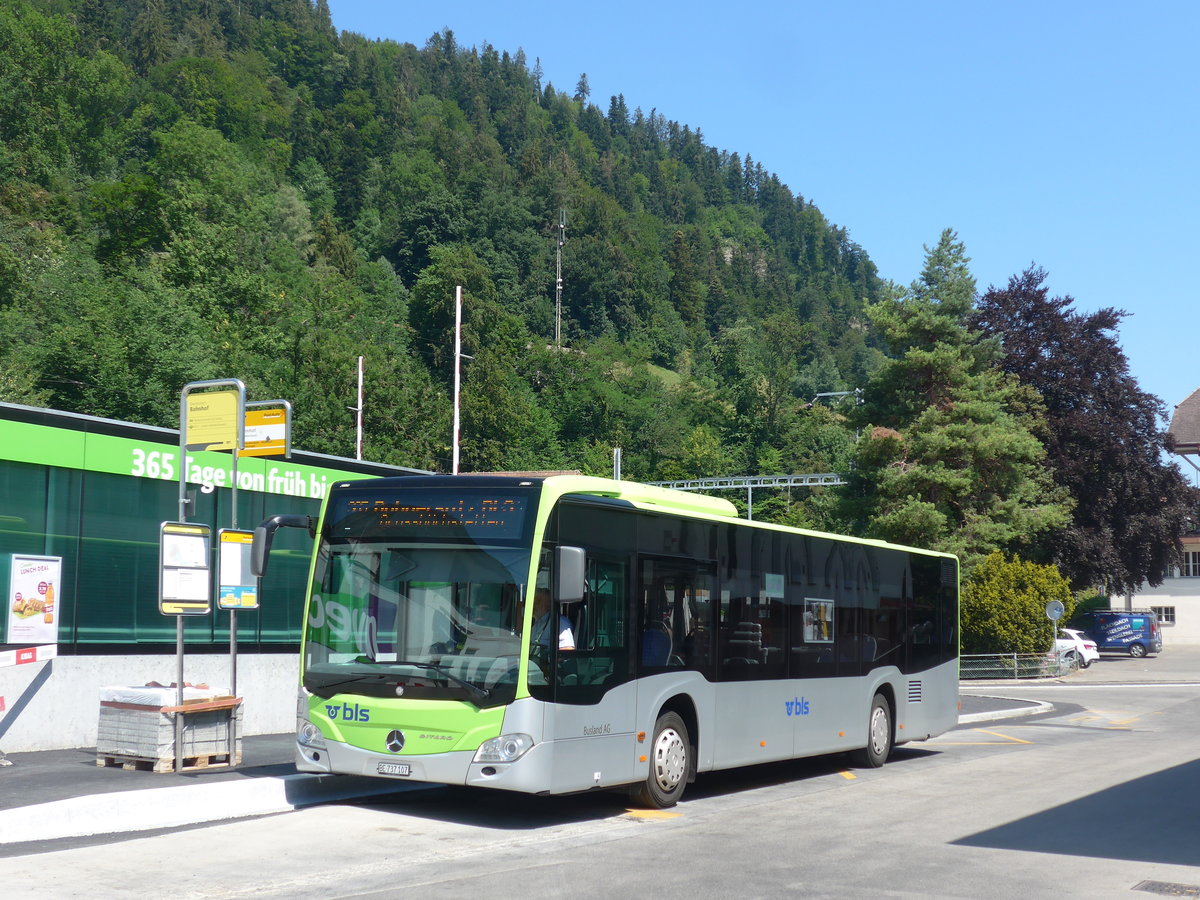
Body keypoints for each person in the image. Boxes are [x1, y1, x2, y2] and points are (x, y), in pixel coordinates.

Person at [531, 576, 574, 651]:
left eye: (537, 602)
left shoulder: (560, 623)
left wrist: (548, 658)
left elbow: (568, 649)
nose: (533, 605)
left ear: (548, 605)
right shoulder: (537, 624)